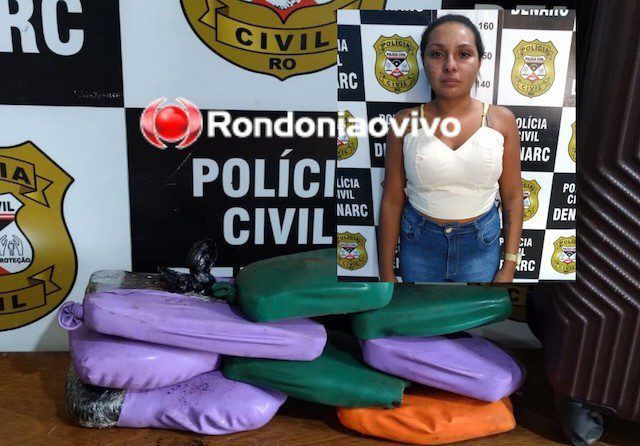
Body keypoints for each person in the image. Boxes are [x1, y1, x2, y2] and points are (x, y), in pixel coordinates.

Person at [377, 14, 523, 283]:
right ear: (424, 62)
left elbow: (513, 196)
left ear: (479, 62)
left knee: (471, 312)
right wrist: (386, 271)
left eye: (464, 54)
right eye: (437, 54)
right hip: (419, 244)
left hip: (481, 246)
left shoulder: (502, 121)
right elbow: (392, 200)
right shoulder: (404, 123)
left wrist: (510, 264)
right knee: (423, 311)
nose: (450, 66)